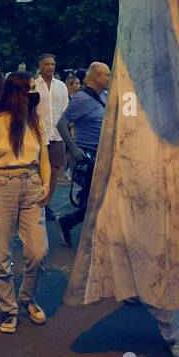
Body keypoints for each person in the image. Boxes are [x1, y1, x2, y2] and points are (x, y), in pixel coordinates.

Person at [0, 72, 50, 333]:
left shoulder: (35, 121)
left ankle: (27, 298)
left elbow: (43, 159)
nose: (34, 93)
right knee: (3, 252)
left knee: (38, 251)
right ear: (17, 93)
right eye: (30, 89)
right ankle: (9, 310)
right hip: (2, 185)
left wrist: (46, 184)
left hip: (32, 183)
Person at [56, 61, 109, 246]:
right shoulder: (81, 98)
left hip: (103, 154)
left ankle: (70, 222)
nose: (110, 78)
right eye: (107, 75)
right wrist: (74, 149)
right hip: (88, 155)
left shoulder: (105, 95)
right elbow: (62, 124)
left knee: (97, 198)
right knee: (98, 199)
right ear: (96, 77)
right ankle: (89, 237)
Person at [32, 53, 69, 219]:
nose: (50, 67)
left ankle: (46, 203)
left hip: (57, 134)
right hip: (38, 133)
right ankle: (32, 203)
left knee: (54, 170)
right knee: (36, 170)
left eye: (53, 64)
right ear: (40, 66)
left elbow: (66, 109)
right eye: (47, 64)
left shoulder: (61, 85)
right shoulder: (33, 84)